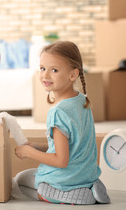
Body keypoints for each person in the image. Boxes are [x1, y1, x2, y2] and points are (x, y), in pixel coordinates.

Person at [13, 41, 110, 205]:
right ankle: (89, 187)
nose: (45, 75)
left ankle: (57, 193)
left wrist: (28, 152)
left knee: (20, 180)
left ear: (72, 75)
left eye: (54, 70)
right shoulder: (81, 101)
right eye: (42, 68)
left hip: (66, 177)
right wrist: (38, 146)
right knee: (30, 176)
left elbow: (60, 160)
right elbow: (74, 145)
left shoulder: (58, 112)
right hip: (86, 174)